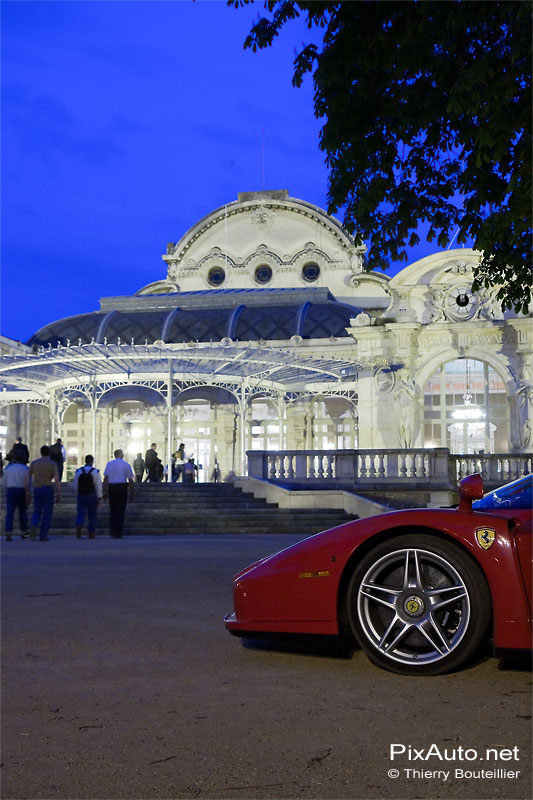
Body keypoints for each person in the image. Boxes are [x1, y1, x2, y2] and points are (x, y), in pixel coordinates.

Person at [26, 445, 62, 541]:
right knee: (47, 513)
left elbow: (27, 477)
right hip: (47, 488)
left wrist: (27, 490)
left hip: (37, 488)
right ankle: (43, 535)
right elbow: (56, 479)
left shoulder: (34, 463)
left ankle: (34, 524)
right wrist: (59, 492)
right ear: (49, 453)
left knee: (37, 511)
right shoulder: (52, 464)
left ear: (40, 453)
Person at [103, 449, 134, 538]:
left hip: (112, 487)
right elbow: (130, 480)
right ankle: (118, 531)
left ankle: (112, 530)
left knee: (113, 509)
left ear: (114, 455)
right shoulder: (126, 465)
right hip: (122, 487)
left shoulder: (110, 464)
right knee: (121, 510)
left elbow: (106, 478)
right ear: (122, 455)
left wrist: (105, 491)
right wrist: (132, 493)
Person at [73, 455, 103, 539]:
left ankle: (79, 524)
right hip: (91, 494)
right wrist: (99, 497)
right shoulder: (95, 471)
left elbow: (75, 484)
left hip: (81, 494)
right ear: (92, 461)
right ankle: (91, 532)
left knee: (80, 513)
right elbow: (98, 485)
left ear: (85, 461)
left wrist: (78, 493)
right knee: (92, 514)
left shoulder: (79, 471)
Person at [2, 452, 29, 541]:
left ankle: (8, 532)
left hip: (11, 490)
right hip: (21, 490)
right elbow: (28, 481)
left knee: (10, 512)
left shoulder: (8, 468)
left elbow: (4, 482)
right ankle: (23, 531)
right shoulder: (25, 468)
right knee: (22, 512)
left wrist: (7, 487)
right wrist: (28, 491)